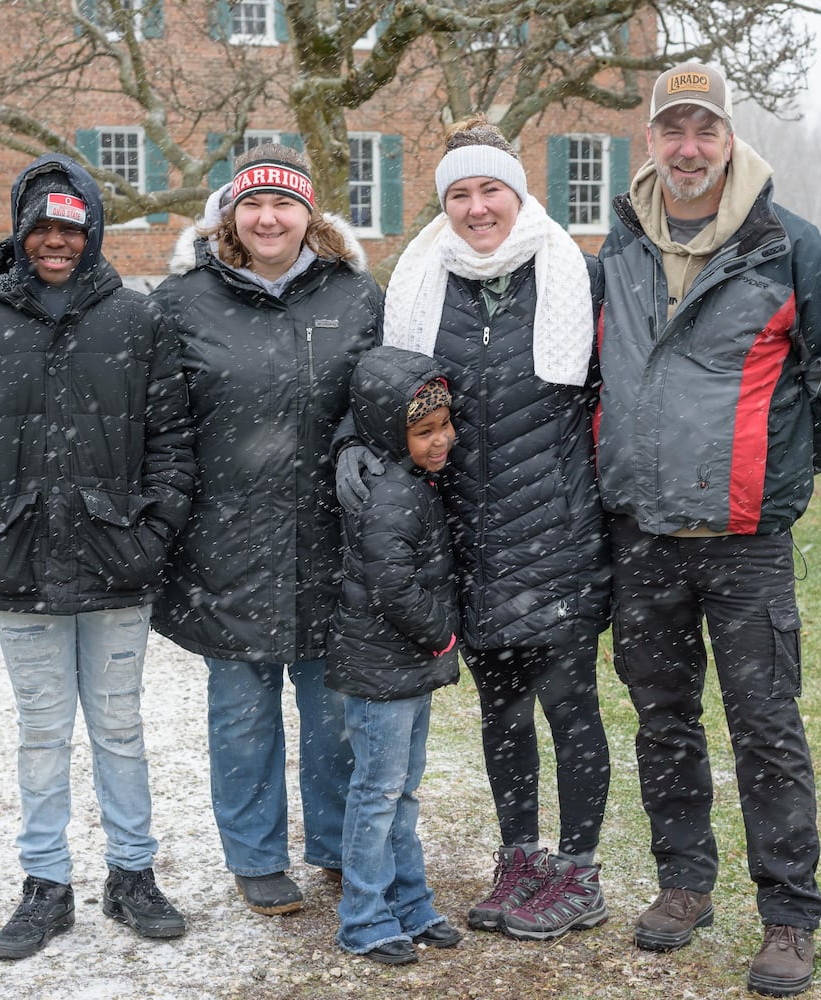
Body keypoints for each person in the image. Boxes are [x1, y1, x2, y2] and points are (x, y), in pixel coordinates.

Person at [595, 63, 821, 996]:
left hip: (746, 542)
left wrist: (784, 472)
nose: (687, 148)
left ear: (728, 140)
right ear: (650, 142)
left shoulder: (787, 246)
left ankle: (789, 915)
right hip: (642, 535)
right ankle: (683, 884)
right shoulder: (620, 244)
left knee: (766, 727)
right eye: (671, 130)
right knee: (663, 719)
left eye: (703, 131)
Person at [0, 153, 196, 959]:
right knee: (42, 733)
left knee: (118, 726)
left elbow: (175, 441)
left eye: (70, 228)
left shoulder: (138, 321)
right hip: (18, 560)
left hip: (118, 560)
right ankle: (45, 884)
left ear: (93, 233)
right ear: (20, 233)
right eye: (41, 227)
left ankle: (132, 874)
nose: (55, 242)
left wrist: (152, 531)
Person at [347, 115, 613, 942]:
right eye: (458, 193)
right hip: (469, 535)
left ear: (518, 191)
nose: (475, 208)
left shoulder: (579, 276)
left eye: (489, 188)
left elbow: (618, 396)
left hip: (560, 531)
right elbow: (386, 396)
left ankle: (578, 869)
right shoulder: (423, 283)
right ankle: (520, 855)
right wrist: (355, 447)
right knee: (502, 711)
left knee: (570, 705)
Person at [150, 144, 380, 916]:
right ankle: (254, 856)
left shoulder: (352, 294)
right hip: (227, 540)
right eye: (253, 205)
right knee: (241, 713)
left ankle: (339, 842)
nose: (268, 217)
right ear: (230, 215)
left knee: (334, 714)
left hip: (331, 535)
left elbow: (378, 391)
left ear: (309, 215)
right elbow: (158, 420)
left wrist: (357, 446)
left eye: (284, 204)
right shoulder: (184, 300)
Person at [328, 346, 464, 965]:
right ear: (391, 432)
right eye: (424, 431)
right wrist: (442, 635)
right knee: (379, 793)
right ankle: (363, 917)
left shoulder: (412, 482)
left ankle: (410, 902)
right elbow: (393, 588)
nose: (442, 440)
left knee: (401, 790)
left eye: (444, 425)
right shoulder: (390, 495)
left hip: (403, 666)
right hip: (384, 666)